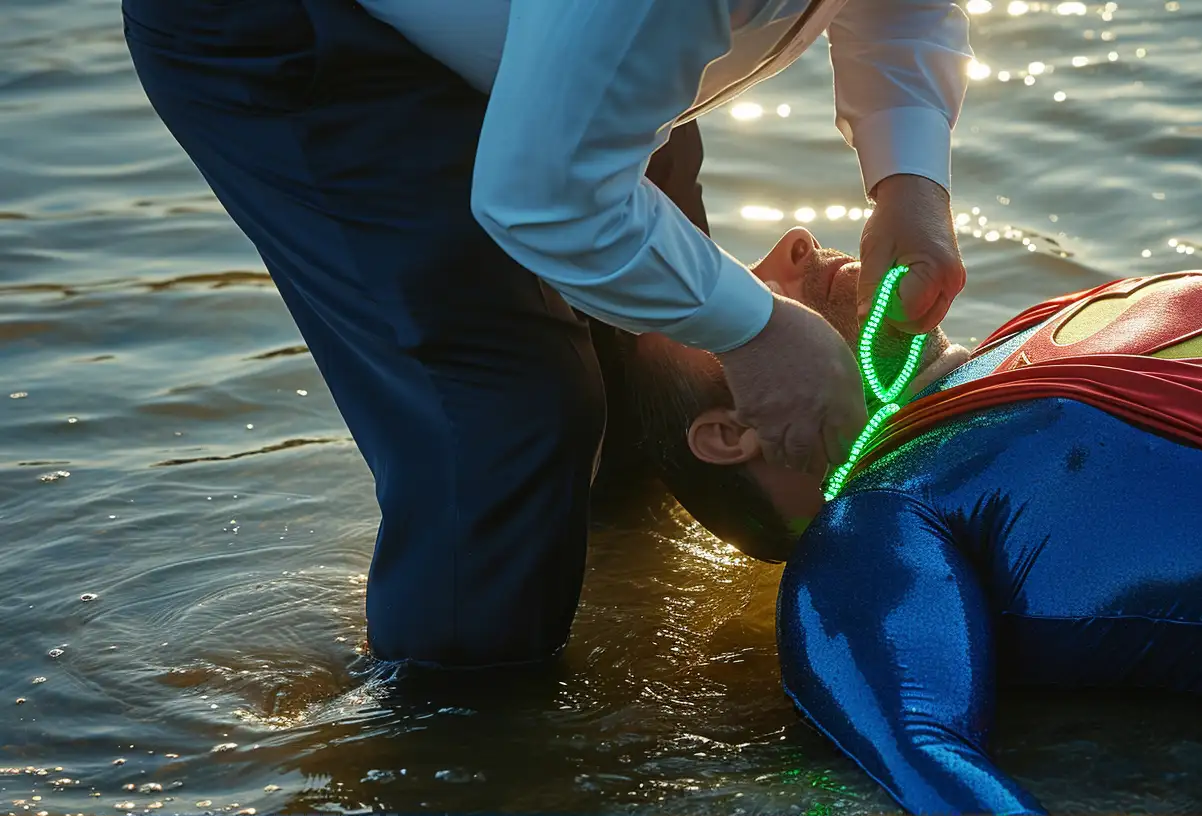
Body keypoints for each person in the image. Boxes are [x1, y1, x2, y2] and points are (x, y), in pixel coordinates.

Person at [122, 0, 970, 667]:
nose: (802, 256)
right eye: (828, 410)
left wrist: (911, 189)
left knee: (641, 308)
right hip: (291, 23)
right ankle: (458, 728)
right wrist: (759, 332)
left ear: (728, 435)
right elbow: (544, 196)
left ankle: (608, 544)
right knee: (512, 418)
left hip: (548, 25)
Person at [607, 229, 1202, 815]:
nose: (790, 245)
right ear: (730, 435)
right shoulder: (867, 528)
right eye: (729, 294)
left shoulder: (1019, 340)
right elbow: (929, 758)